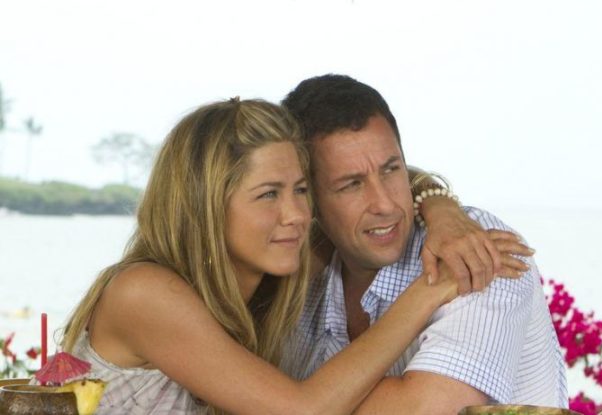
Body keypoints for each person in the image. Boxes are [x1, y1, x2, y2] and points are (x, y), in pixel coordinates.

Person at [60, 98, 461, 414]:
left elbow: (370, 187)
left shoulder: (270, 271)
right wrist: (432, 286)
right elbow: (303, 411)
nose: (297, 215)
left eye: (301, 190)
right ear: (206, 206)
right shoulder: (144, 294)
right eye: (268, 194)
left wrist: (440, 209)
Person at [280, 74, 568, 414]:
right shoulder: (301, 275)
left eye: (391, 170)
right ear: (308, 198)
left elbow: (427, 408)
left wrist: (293, 398)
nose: (385, 203)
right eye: (351, 185)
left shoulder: (474, 247)